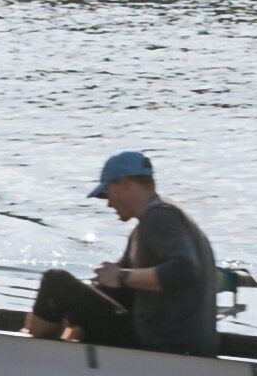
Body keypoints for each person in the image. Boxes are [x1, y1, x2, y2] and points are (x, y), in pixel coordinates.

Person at [23, 150, 218, 353]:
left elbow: (184, 269)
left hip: (161, 343)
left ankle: (27, 352)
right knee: (93, 292)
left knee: (55, 282)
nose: (108, 203)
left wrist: (122, 276)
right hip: (183, 343)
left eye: (106, 193)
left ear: (124, 183)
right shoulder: (159, 221)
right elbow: (109, 291)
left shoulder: (158, 218)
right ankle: (47, 341)